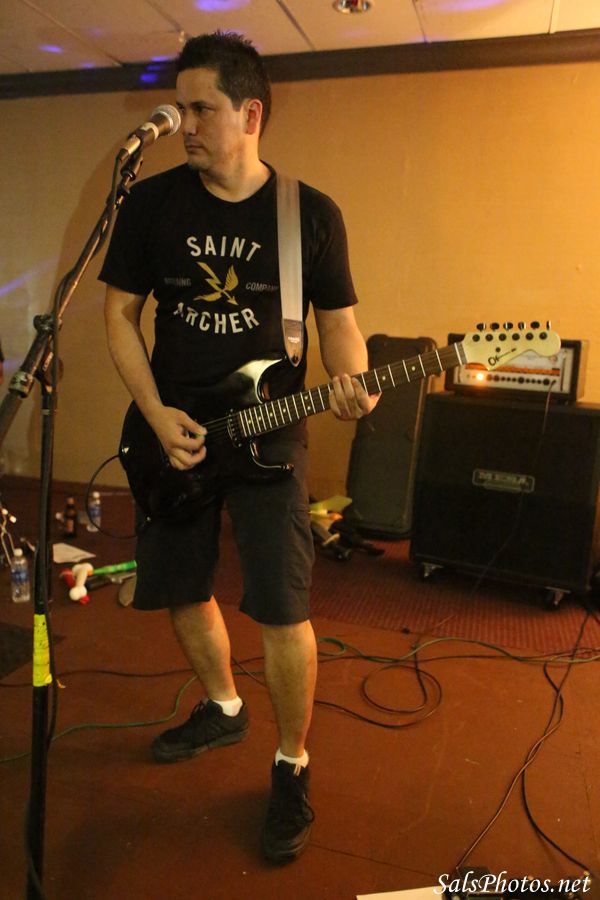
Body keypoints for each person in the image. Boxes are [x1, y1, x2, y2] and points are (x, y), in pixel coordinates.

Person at [99, 30, 378, 864]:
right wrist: (154, 412)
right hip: (174, 434)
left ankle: (292, 763)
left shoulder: (308, 213)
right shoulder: (152, 204)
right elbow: (118, 314)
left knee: (283, 606)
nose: (185, 125)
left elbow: (339, 325)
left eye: (202, 109)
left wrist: (353, 381)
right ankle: (223, 706)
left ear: (250, 114)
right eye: (180, 108)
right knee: (181, 588)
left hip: (269, 437)